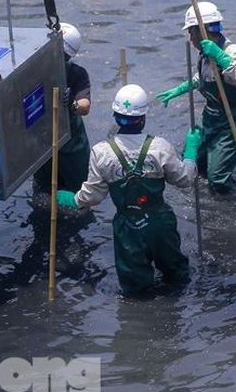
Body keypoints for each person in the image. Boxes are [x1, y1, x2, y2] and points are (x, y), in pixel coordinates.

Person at [57, 84, 200, 296]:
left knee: (135, 288)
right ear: (143, 118)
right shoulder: (160, 147)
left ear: (115, 116)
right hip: (160, 222)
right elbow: (185, 179)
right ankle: (179, 312)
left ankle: (138, 322)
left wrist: (72, 199)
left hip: (128, 227)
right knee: (177, 275)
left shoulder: (102, 152)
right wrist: (191, 152)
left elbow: (93, 196)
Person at [156, 1, 236, 196]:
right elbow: (203, 78)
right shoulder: (204, 53)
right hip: (211, 115)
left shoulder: (230, 51)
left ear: (202, 31)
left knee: (216, 178)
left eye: (191, 32)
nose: (189, 37)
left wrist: (221, 57)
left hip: (233, 117)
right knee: (194, 163)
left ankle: (229, 204)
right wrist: (180, 89)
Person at [32, 22, 91, 197]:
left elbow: (85, 105)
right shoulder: (35, 70)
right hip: (43, 140)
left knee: (78, 192)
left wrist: (73, 104)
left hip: (71, 142)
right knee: (43, 190)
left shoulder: (77, 73)